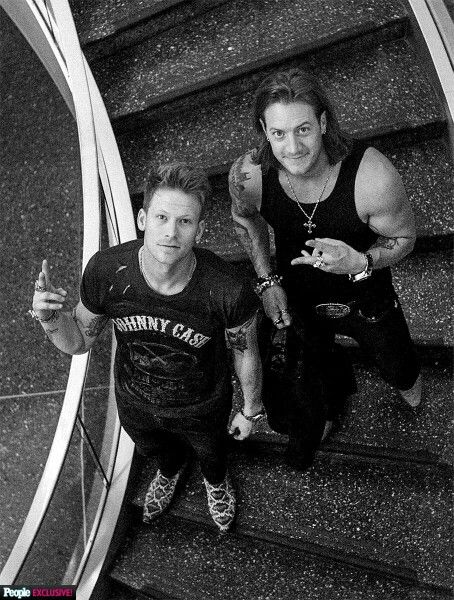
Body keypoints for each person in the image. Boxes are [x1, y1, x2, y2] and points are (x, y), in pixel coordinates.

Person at [31, 162, 264, 532]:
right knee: (158, 453)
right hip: (135, 399)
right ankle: (168, 473)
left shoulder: (227, 288)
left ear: (200, 231)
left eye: (185, 222)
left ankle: (216, 484)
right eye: (161, 217)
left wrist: (250, 409)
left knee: (213, 455)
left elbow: (245, 351)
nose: (171, 233)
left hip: (202, 403)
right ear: (142, 219)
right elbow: (78, 342)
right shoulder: (107, 272)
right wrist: (49, 319)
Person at [229, 68, 421, 470]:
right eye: (278, 133)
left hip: (365, 291)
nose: (293, 147)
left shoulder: (372, 177)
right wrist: (266, 281)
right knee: (313, 366)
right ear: (263, 130)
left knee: (398, 365)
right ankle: (330, 406)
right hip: (297, 289)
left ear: (322, 123)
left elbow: (404, 240)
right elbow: (245, 219)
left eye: (303, 129)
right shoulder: (249, 176)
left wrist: (362, 261)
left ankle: (407, 387)